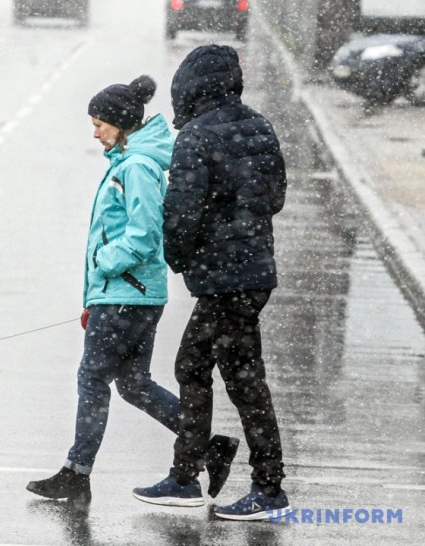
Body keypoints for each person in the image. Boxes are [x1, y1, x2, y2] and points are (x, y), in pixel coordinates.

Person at [26, 75, 239, 505]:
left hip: (126, 293)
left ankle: (76, 472)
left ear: (122, 124)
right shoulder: (130, 162)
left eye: (100, 123)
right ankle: (210, 446)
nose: (95, 131)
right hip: (130, 294)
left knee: (92, 378)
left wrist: (104, 265)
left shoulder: (136, 168)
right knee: (134, 385)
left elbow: (143, 235)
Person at [131, 45, 291, 520]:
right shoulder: (260, 125)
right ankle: (196, 476)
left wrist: (180, 257)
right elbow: (275, 197)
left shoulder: (196, 137)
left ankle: (254, 486)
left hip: (224, 279)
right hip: (254, 272)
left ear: (190, 87)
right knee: (229, 373)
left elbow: (180, 214)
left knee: (217, 374)